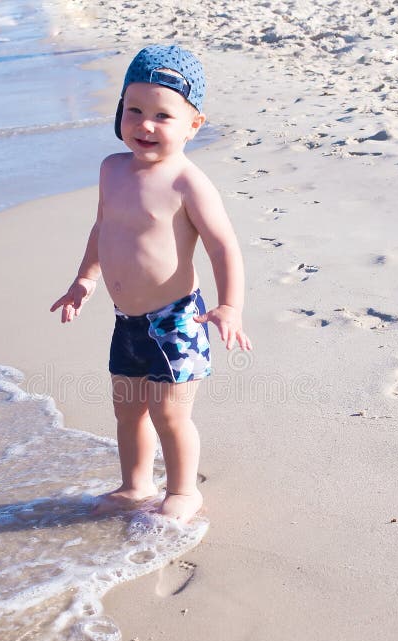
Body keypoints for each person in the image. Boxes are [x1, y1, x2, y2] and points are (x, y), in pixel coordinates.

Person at [50, 44, 252, 523]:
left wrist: (230, 307)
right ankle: (135, 484)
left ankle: (184, 491)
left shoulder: (187, 182)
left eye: (163, 116)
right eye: (134, 110)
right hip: (127, 322)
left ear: (193, 125)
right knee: (128, 411)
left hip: (176, 319)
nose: (145, 125)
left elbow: (223, 246)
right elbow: (104, 229)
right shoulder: (111, 169)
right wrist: (85, 278)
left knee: (169, 414)